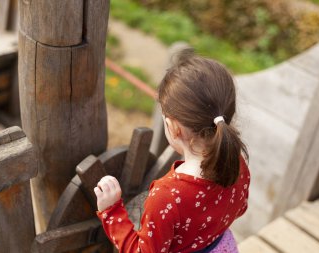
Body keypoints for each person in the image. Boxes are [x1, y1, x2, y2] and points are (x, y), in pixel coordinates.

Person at [94, 49, 250, 253]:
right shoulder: (236, 161)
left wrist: (111, 211)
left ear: (173, 127)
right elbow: (240, 208)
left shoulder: (166, 196)